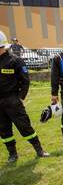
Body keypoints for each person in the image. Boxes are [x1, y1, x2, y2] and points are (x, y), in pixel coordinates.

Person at [0, 30, 49, 162]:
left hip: (12, 100)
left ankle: (39, 150)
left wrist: (20, 98)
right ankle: (12, 154)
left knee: (24, 126)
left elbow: (25, 80)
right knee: (3, 130)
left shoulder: (15, 61)